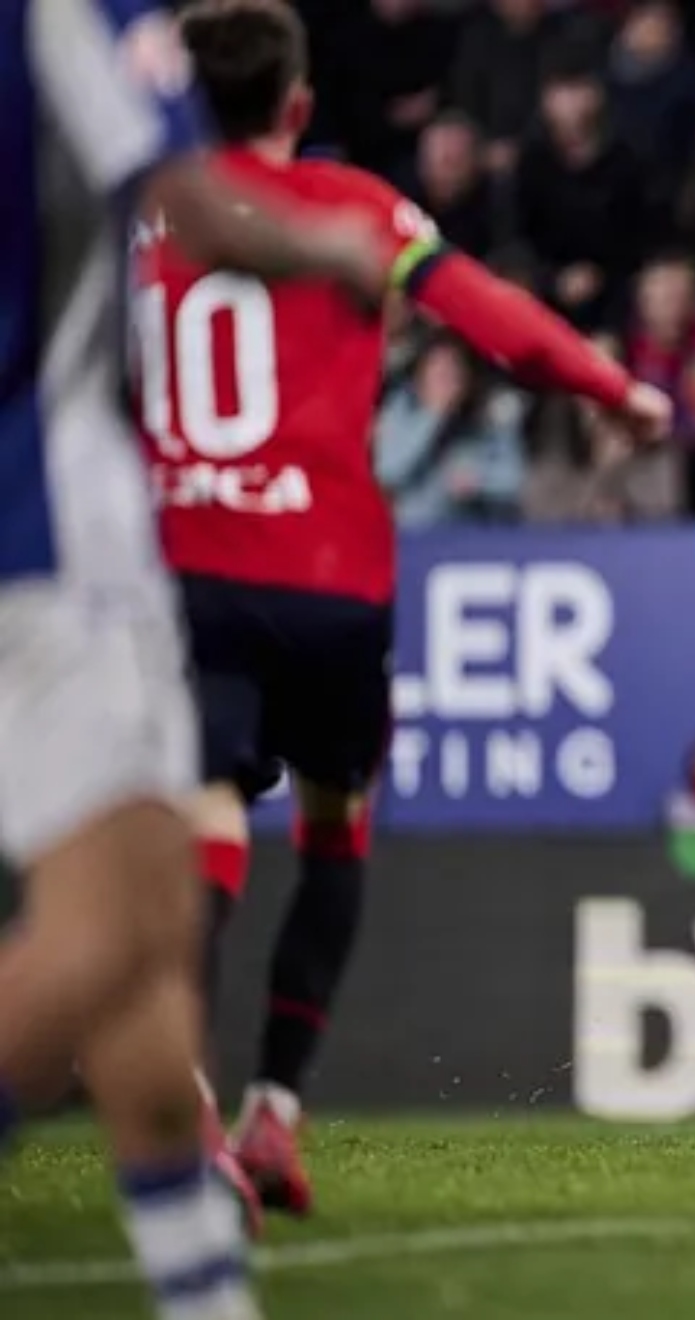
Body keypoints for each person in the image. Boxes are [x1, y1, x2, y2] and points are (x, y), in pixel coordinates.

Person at [137, 0, 670, 1225]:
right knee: (336, 827)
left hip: (190, 569)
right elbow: (487, 314)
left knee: (205, 827)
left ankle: (198, 1108)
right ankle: (277, 1108)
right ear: (301, 106)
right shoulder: (360, 213)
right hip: (331, 582)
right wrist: (611, 387)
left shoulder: (133, 214)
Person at [1, 2, 394, 1316]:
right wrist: (336, 240)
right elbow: (202, 204)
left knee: (160, 923)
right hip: (47, 532)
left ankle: (201, 1289)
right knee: (113, 930)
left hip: (97, 535)